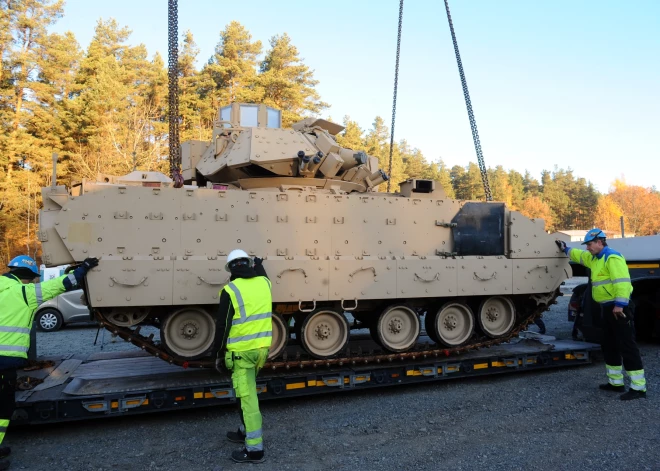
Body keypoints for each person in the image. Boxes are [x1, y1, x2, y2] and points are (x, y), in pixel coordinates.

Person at [0, 255, 99, 470]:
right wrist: (84, 268)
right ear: (26, 276)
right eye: (31, 278)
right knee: (2, 408)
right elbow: (61, 285)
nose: (32, 282)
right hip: (3, 362)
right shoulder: (22, 293)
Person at [556, 229, 646, 400]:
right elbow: (580, 256)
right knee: (609, 344)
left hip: (618, 309)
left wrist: (620, 305)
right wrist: (565, 249)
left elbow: (623, 283)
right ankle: (616, 383)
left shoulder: (612, 258)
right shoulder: (594, 258)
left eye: (589, 244)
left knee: (627, 346)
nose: (588, 248)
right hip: (606, 308)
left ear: (600, 242)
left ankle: (638, 388)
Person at [214, 249, 272, 464]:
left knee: (247, 398)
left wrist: (218, 355)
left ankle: (255, 450)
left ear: (230, 270)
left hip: (241, 355)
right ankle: (244, 430)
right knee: (246, 391)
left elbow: (223, 326)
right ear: (249, 266)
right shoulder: (265, 284)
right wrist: (259, 263)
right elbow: (264, 275)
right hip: (261, 352)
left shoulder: (230, 290)